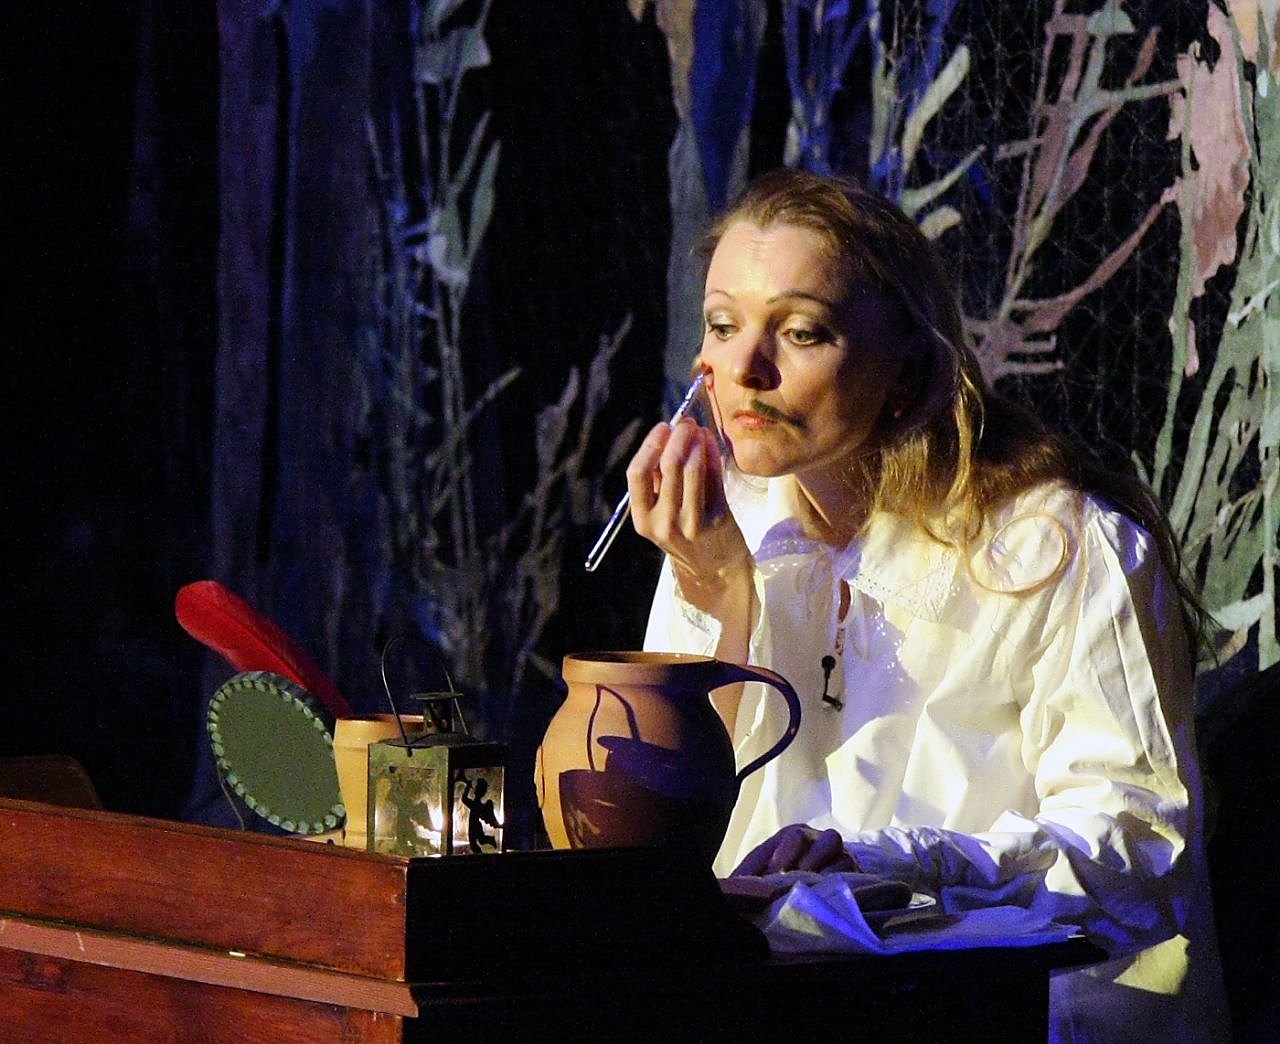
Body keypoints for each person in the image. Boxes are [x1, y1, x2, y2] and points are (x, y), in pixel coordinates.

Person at [629, 168, 1227, 1041]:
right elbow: (674, 831)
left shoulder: (1060, 548)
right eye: (723, 326)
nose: (745, 368)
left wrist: (898, 867)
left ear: (906, 371)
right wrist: (714, 589)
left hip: (1024, 1017)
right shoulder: (728, 525)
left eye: (800, 331)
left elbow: (1139, 849)